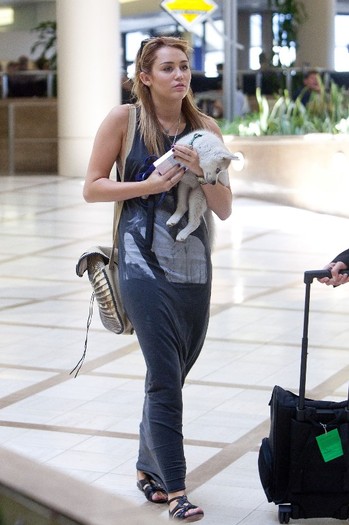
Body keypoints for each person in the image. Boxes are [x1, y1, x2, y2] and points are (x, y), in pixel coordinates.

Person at [83, 36, 232, 521]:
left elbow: (225, 210)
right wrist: (147, 185)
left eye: (184, 67)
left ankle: (147, 467)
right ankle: (177, 489)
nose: (180, 76)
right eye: (167, 68)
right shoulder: (123, 122)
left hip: (194, 266)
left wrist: (205, 176)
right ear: (145, 77)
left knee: (173, 373)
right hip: (140, 262)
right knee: (165, 379)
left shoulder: (205, 127)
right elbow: (92, 187)